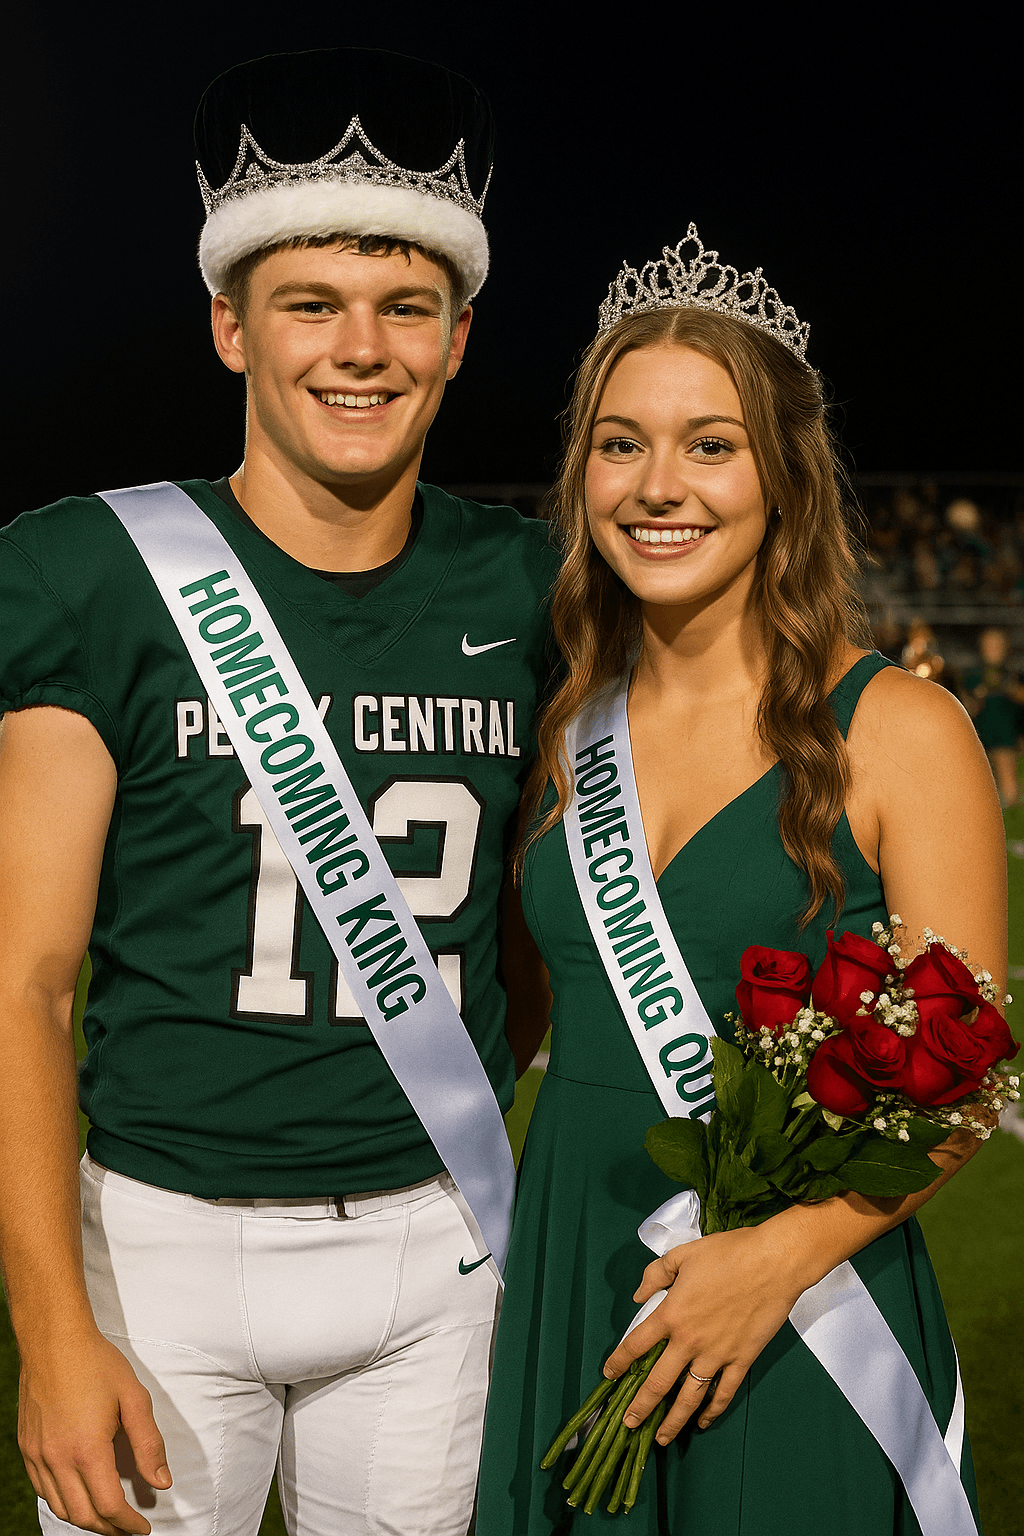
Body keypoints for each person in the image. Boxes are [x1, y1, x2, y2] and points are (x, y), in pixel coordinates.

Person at [0, 48, 554, 1536]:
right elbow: (24, 984)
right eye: (310, 303)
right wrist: (50, 1332)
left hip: (438, 1239)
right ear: (229, 325)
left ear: (458, 337)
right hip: (161, 1246)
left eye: (405, 308)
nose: (360, 349)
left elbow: (541, 927)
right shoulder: (91, 570)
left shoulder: (533, 585)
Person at [477, 227, 1009, 1533]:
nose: (658, 486)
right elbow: (521, 1011)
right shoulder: (564, 725)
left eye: (710, 444)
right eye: (621, 444)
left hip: (801, 1311)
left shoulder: (902, 730)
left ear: (784, 477)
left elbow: (961, 1078)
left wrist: (774, 1259)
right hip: (575, 1273)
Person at [959, 626, 1024, 806]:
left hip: (1005, 734)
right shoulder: (972, 676)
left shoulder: (1013, 674)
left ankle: (1011, 815)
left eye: (997, 645)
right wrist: (979, 695)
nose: (993, 650)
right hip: (979, 733)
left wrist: (1009, 687)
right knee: (978, 781)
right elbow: (966, 706)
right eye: (989, 645)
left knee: (1007, 778)